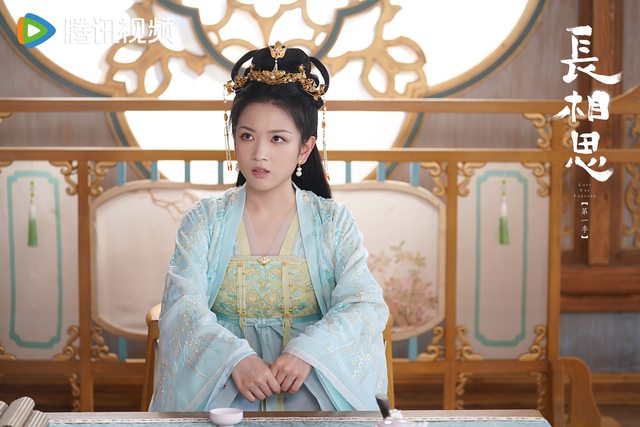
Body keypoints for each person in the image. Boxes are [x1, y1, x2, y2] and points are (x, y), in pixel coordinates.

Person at [149, 42, 389, 412]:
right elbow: (183, 306)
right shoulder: (204, 221)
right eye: (247, 136)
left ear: (305, 149)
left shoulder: (333, 222)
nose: (259, 153)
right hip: (224, 388)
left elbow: (362, 303)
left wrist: (308, 352)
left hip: (311, 386)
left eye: (278, 138)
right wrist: (234, 359)